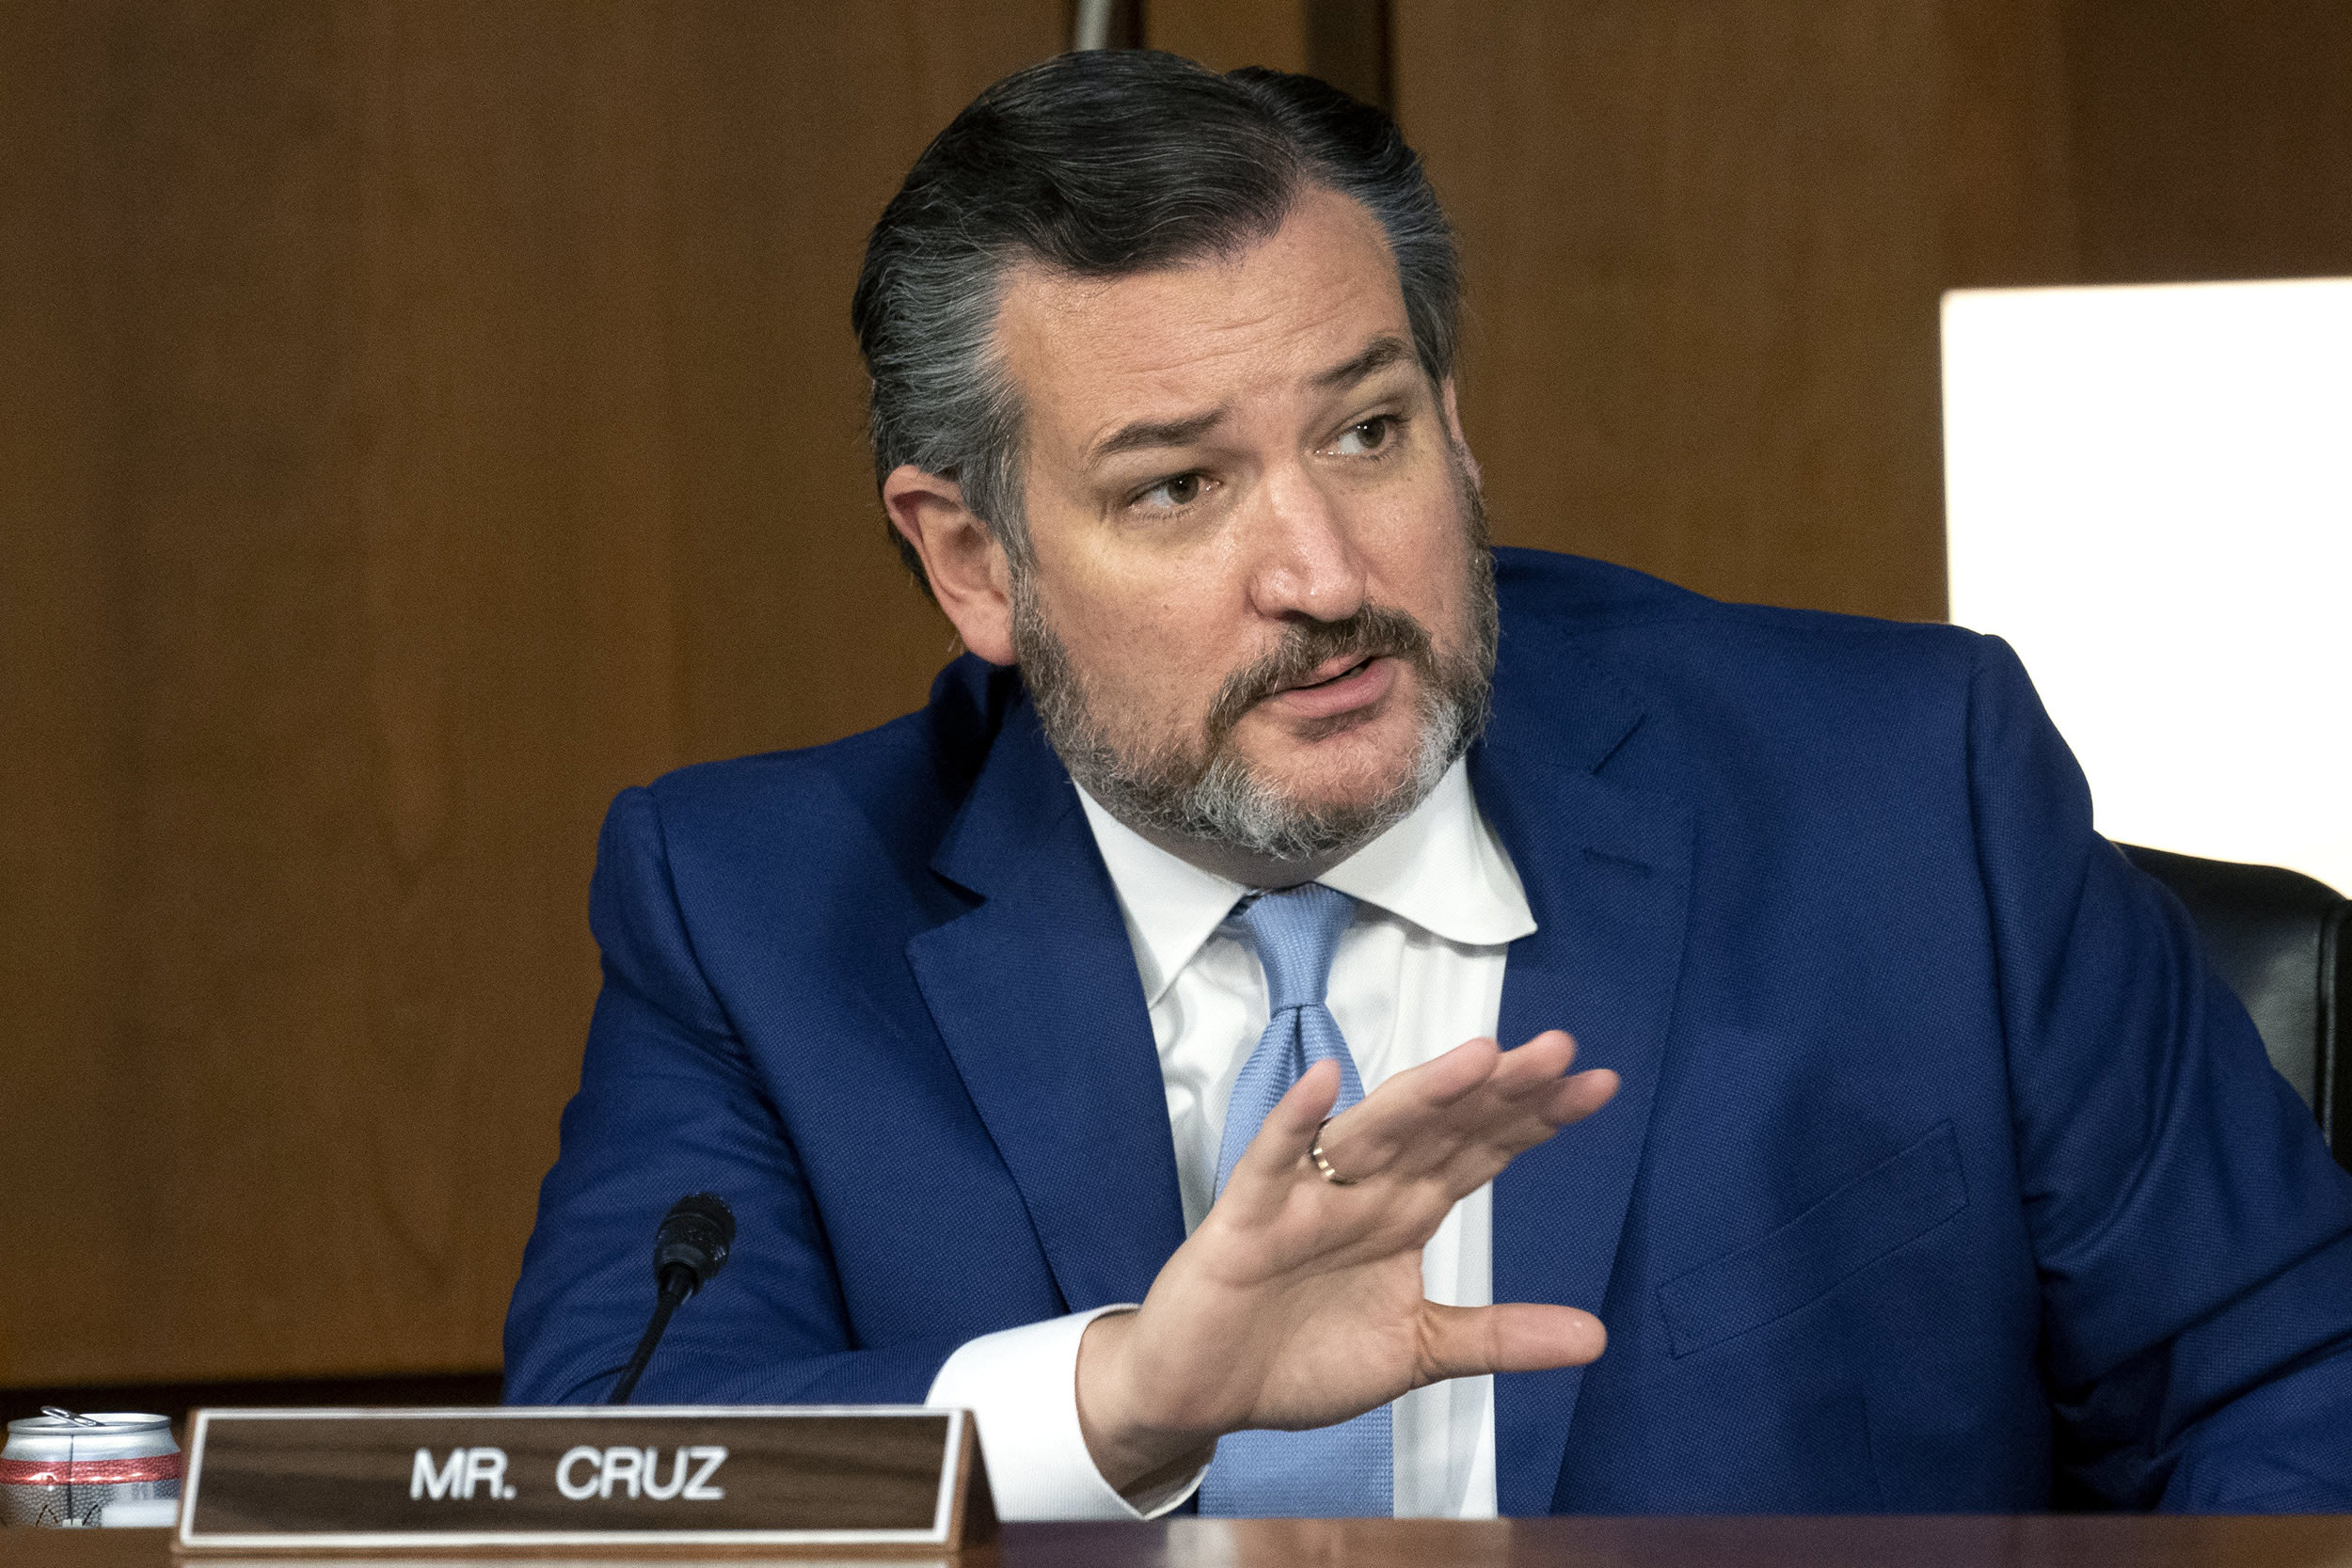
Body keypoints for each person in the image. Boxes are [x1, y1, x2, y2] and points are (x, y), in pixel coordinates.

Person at [502, 50, 2352, 1517]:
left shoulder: (1892, 798)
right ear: (972, 560)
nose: (1321, 574)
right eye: (1175, 488)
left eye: (1365, 431)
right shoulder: (754, 910)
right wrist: (1128, 1395)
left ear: (1452, 424)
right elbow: (608, 1481)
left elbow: (2286, 1390)